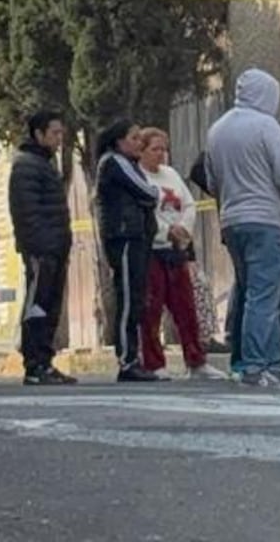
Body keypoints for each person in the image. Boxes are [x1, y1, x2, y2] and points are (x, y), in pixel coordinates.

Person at [205, 68, 280, 389]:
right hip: (267, 219)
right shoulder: (266, 126)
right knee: (265, 296)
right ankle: (258, 365)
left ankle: (272, 363)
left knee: (251, 292)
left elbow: (211, 179)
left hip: (233, 220)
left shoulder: (217, 129)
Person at [136, 128, 223, 381]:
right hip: (153, 249)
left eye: (164, 149)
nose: (161, 155)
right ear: (141, 151)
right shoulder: (139, 177)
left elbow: (188, 204)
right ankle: (154, 362)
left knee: (185, 307)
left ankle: (196, 360)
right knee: (152, 309)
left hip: (176, 250)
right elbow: (145, 213)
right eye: (155, 149)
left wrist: (183, 229)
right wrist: (165, 231)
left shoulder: (171, 174)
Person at [8, 112, 76, 386]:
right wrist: (42, 247)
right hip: (41, 251)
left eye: (61, 133)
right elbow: (26, 213)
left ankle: (45, 361)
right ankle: (34, 364)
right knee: (37, 306)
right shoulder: (27, 166)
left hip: (54, 249)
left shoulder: (44, 164)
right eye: (55, 133)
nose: (60, 139)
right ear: (39, 134)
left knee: (50, 306)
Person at [95, 120, 160, 382]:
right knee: (128, 298)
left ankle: (133, 357)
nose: (139, 143)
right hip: (124, 237)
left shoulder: (127, 164)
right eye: (134, 138)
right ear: (119, 141)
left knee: (137, 298)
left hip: (136, 236)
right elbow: (149, 193)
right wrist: (151, 194)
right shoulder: (115, 162)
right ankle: (127, 360)